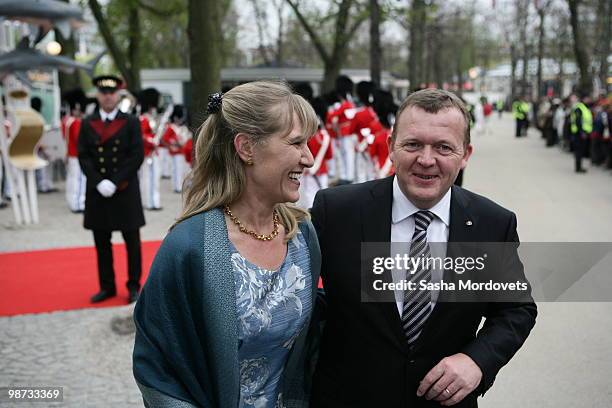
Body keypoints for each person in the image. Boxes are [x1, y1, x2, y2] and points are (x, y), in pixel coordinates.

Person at [310, 88, 537, 407]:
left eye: (443, 147)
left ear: (466, 154)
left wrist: (476, 362)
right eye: (413, 144)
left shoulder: (492, 224)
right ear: (391, 146)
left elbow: (516, 309)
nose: (426, 160)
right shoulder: (335, 211)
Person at [133, 81, 323, 407]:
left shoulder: (303, 236)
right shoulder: (188, 247)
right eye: (295, 143)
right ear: (246, 147)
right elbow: (157, 368)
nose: (308, 158)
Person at [77, 75, 145, 304]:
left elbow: (136, 155)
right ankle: (107, 287)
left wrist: (115, 181)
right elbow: (83, 156)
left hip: (124, 189)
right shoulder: (87, 123)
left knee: (132, 242)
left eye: (112, 92)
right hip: (99, 191)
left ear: (118, 95)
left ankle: (134, 286)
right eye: (104, 92)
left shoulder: (131, 122)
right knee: (101, 242)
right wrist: (99, 182)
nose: (108, 96)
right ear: (98, 95)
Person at [569, 92, 593, 173]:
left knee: (580, 151)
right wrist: (582, 132)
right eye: (587, 98)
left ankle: (579, 167)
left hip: (583, 132)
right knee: (579, 151)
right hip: (579, 133)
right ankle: (578, 168)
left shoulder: (585, 108)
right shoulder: (579, 108)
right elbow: (578, 121)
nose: (589, 100)